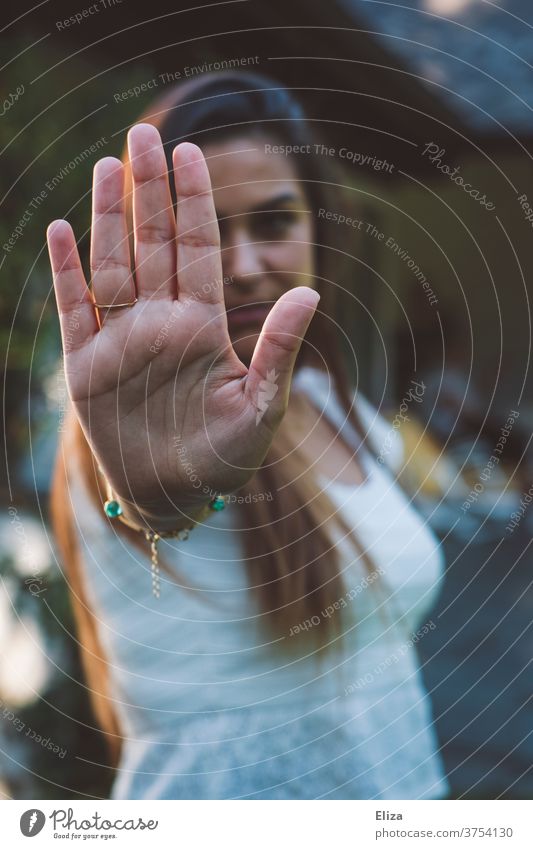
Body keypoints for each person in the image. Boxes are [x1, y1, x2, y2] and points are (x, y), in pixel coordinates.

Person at [47, 71, 448, 800]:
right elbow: (152, 510)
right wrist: (155, 499)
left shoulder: (332, 402)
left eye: (272, 222)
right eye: (210, 234)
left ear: (318, 229)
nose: (243, 266)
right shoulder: (125, 425)